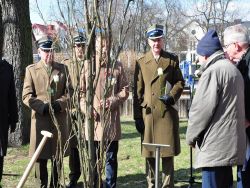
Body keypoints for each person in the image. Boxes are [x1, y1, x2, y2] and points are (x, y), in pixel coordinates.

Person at [186, 29, 246, 188]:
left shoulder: (213, 72)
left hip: (214, 149)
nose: (198, 60)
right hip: (231, 147)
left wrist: (191, 137)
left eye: (198, 55)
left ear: (205, 55)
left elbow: (200, 111)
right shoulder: (234, 70)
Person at [133, 24, 184, 188]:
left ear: (163, 40)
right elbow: (137, 92)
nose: (156, 43)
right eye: (153, 40)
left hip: (166, 113)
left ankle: (168, 185)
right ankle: (152, 184)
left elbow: (179, 82)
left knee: (167, 154)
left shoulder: (171, 59)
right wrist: (137, 116)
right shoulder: (141, 62)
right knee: (149, 154)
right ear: (148, 41)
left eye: (159, 39)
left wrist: (171, 96)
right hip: (149, 115)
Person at [22, 35, 73, 188]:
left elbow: (71, 92)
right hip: (40, 121)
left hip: (58, 120)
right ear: (39, 51)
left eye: (51, 50)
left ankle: (56, 184)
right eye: (46, 51)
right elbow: (26, 95)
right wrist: (40, 106)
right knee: (40, 158)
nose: (49, 54)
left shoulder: (63, 69)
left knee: (57, 157)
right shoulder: (31, 70)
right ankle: (41, 185)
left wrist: (60, 104)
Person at [80, 35, 129, 188]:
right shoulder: (88, 67)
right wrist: (87, 110)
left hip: (111, 124)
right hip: (93, 125)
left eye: (107, 46)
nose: (104, 49)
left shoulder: (118, 66)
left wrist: (112, 101)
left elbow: (125, 91)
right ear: (95, 47)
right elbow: (80, 94)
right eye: (101, 46)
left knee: (110, 160)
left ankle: (110, 186)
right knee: (93, 162)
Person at [223, 24, 250, 188]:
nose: (225, 51)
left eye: (226, 46)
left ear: (236, 45)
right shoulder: (242, 62)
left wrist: (248, 119)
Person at [62, 33, 86, 188]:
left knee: (92, 145)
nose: (80, 49)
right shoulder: (66, 65)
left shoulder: (92, 63)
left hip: (90, 112)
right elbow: (63, 90)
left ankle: (94, 174)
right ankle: (74, 177)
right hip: (72, 111)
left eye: (83, 45)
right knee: (74, 146)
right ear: (73, 47)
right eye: (78, 45)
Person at [0, 59, 18, 186]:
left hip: (1, 121)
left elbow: (12, 95)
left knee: (0, 153)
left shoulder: (6, 68)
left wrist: (13, 119)